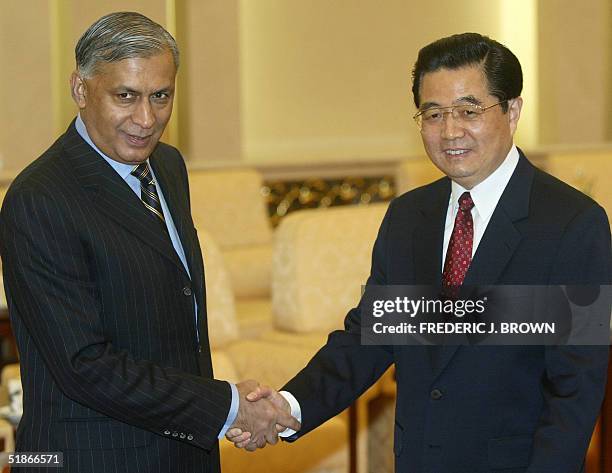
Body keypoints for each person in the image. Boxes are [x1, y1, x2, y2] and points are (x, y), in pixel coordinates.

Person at [227, 33, 612, 472]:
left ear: (513, 110)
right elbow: (368, 338)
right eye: (433, 114)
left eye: (469, 111)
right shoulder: (409, 217)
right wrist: (289, 407)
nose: (450, 131)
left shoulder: (572, 224)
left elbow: (575, 389)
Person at [0, 12, 298, 473]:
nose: (146, 119)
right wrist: (226, 408)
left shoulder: (169, 167)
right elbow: (85, 365)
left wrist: (215, 414)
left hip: (184, 451)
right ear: (80, 90)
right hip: (94, 458)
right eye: (125, 96)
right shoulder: (40, 198)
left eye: (161, 97)